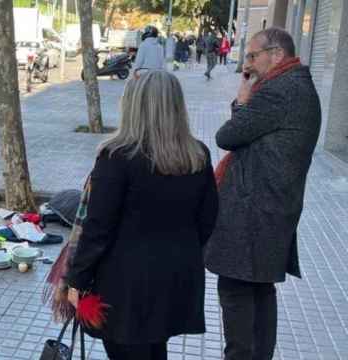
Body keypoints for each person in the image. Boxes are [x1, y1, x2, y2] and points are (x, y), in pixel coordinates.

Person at [66, 71, 219, 360]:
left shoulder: (117, 157)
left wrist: (76, 279)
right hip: (177, 277)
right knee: (155, 349)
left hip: (125, 285)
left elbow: (98, 228)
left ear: (133, 106)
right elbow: (208, 218)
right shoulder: (197, 155)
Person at [205, 28, 321, 360]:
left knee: (236, 290)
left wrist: (242, 98)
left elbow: (228, 136)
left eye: (253, 56)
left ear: (277, 54)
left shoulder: (277, 91)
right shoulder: (298, 86)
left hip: (252, 213)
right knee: (258, 291)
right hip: (272, 209)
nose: (248, 64)